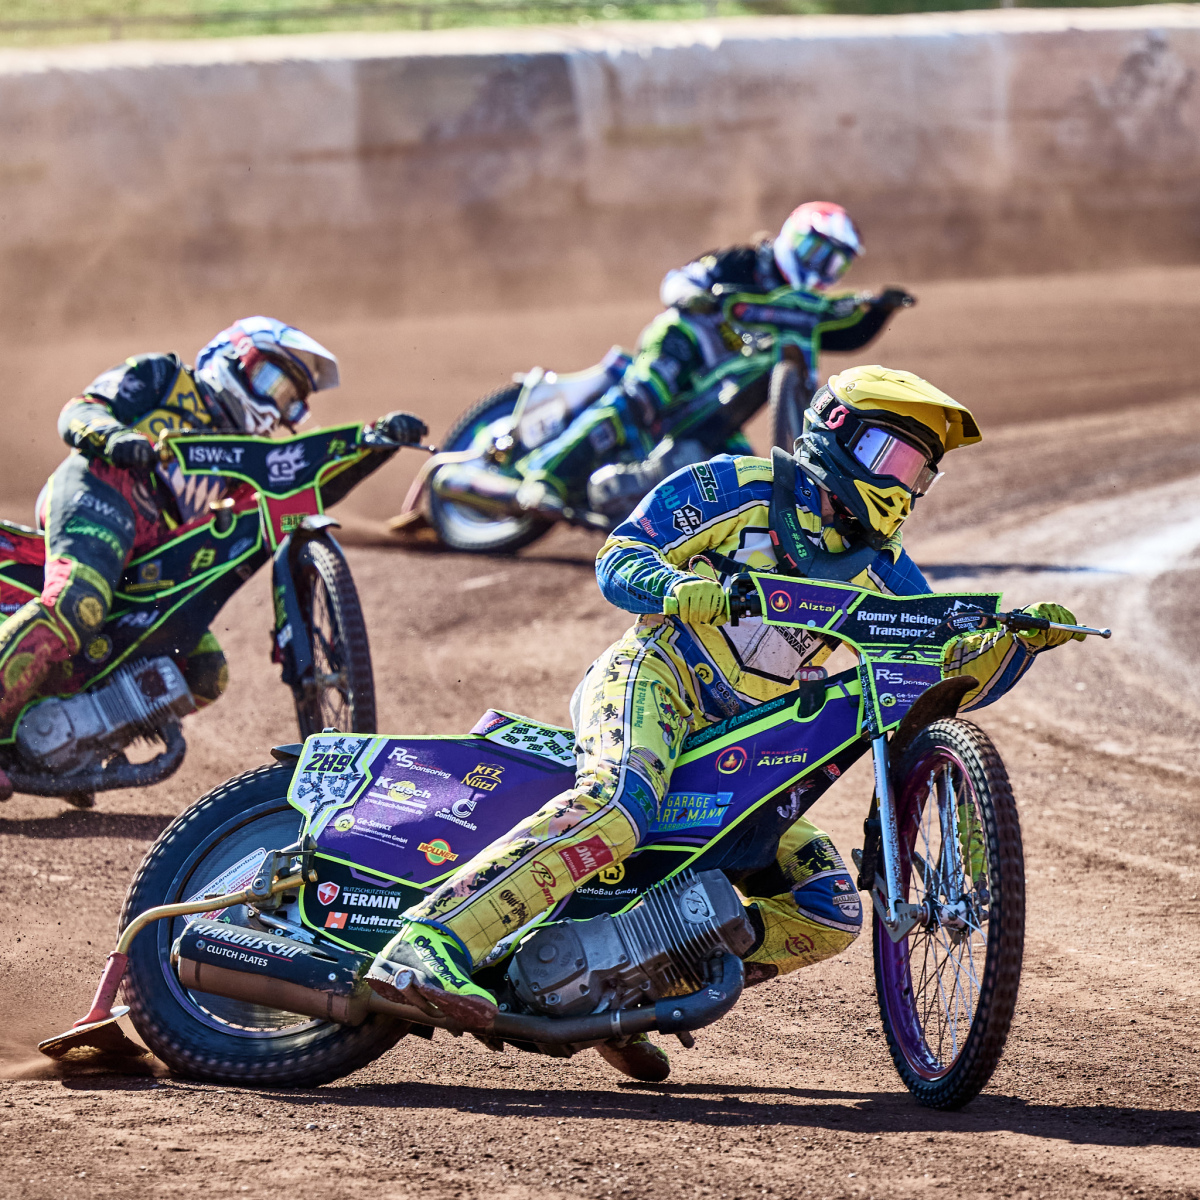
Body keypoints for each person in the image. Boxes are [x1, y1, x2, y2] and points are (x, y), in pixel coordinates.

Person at [366, 363, 1082, 1081]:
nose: (906, 486)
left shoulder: (885, 568)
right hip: (656, 679)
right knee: (619, 805)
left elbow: (935, 667)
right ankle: (428, 943)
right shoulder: (733, 488)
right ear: (840, 435)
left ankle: (621, 991)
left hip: (744, 746)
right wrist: (675, 586)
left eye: (921, 472)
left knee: (829, 909)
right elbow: (620, 556)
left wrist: (1014, 644)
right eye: (895, 459)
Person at [0, 317, 426, 787]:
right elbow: (80, 410)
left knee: (203, 670)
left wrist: (376, 445)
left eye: (289, 399)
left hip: (155, 552)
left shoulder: (248, 457)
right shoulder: (164, 375)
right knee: (77, 602)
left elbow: (304, 496)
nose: (275, 403)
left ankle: (61, 747)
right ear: (232, 356)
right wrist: (114, 437)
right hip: (100, 494)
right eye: (273, 381)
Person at [514, 201, 913, 516]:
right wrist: (695, 297)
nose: (819, 267)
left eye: (834, 262)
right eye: (815, 251)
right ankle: (545, 477)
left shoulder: (804, 308)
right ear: (792, 236)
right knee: (642, 397)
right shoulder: (744, 262)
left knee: (739, 468)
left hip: (720, 388)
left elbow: (844, 335)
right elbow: (678, 281)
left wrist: (880, 311)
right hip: (684, 344)